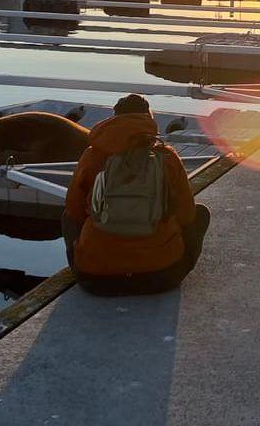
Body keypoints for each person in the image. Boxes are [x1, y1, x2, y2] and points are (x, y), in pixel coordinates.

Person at [63, 94, 210, 296]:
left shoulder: (92, 156)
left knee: (67, 218)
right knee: (200, 213)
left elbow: (74, 211)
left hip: (96, 279)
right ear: (149, 119)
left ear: (113, 120)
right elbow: (186, 215)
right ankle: (159, 254)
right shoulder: (166, 156)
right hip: (163, 276)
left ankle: (92, 254)